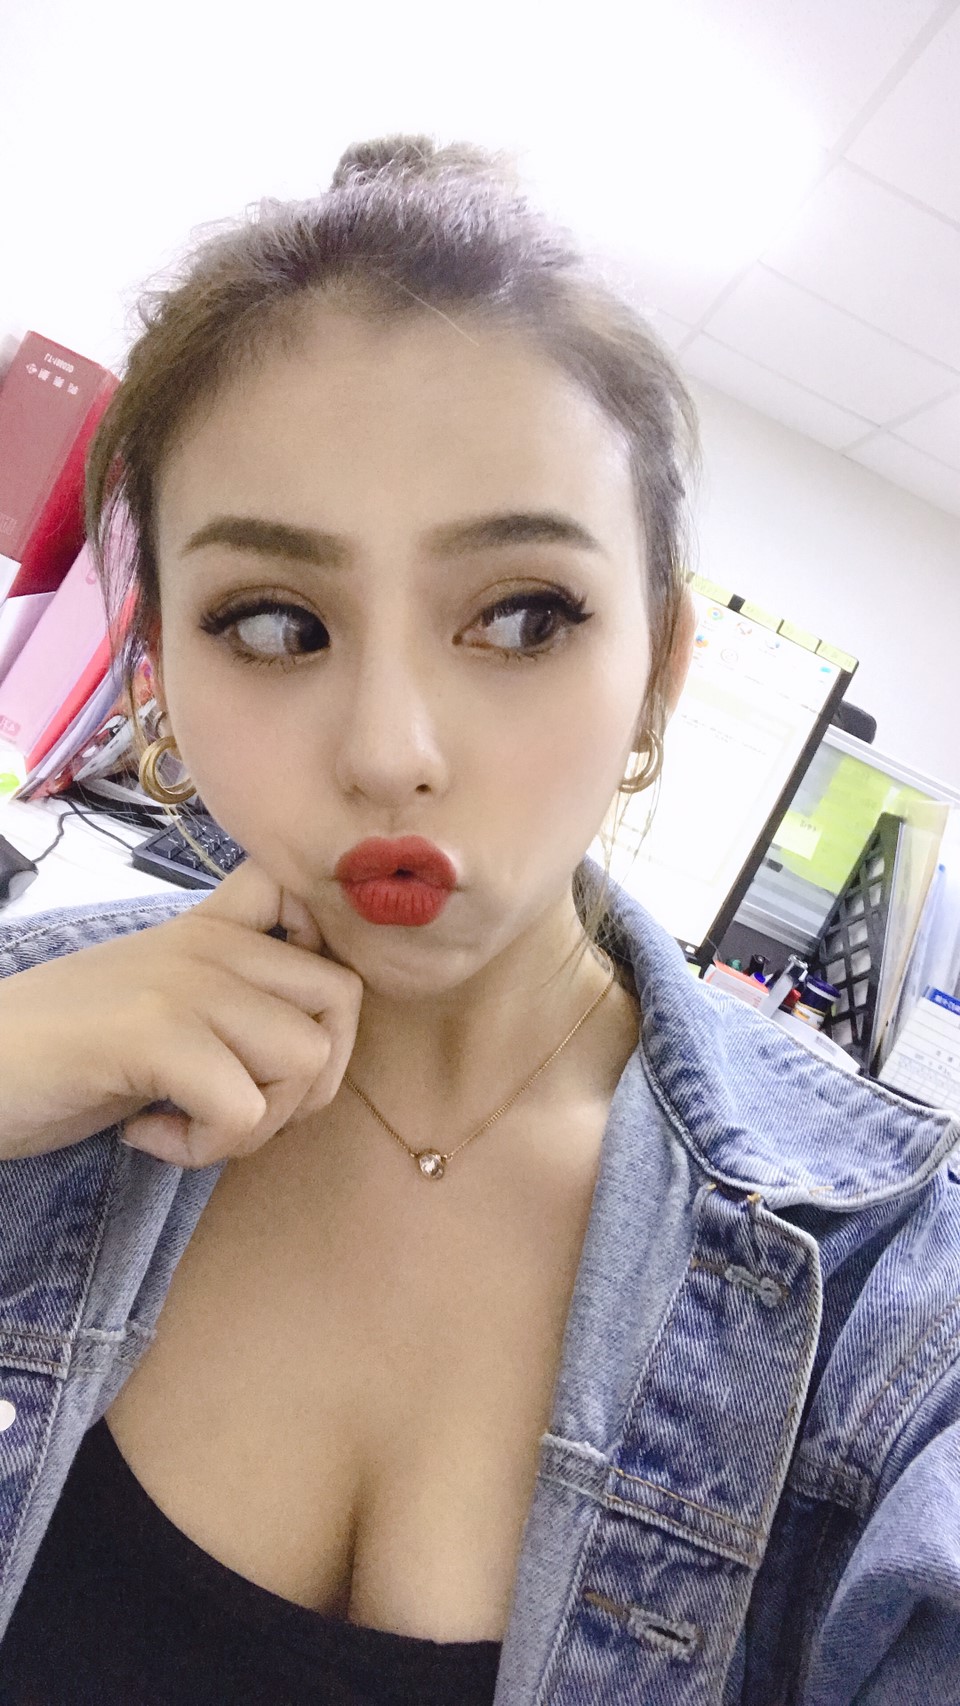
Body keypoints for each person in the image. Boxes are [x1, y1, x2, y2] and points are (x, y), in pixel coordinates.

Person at [0, 135, 957, 1706]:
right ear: (157, 673)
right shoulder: (31, 1054)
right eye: (277, 622)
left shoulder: (879, 1295)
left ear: (656, 671)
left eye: (520, 616)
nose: (393, 749)